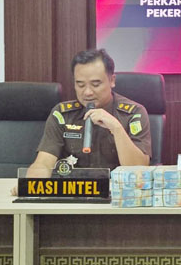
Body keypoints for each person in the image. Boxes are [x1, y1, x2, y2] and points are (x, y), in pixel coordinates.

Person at [20, 49, 151, 181]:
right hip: (74, 189)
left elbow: (138, 169)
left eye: (95, 84)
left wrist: (116, 128)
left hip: (116, 190)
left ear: (112, 80)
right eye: (80, 85)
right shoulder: (62, 114)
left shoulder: (133, 113)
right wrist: (30, 185)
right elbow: (43, 163)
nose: (87, 92)